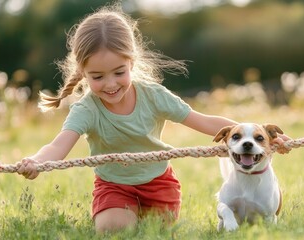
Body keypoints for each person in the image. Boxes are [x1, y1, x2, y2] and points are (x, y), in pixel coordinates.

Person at [17, 4, 289, 233]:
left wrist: (267, 139)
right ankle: (118, 212)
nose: (110, 84)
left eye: (119, 72)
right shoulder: (85, 109)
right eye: (98, 77)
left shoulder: (153, 95)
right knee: (113, 230)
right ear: (83, 73)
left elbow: (204, 121)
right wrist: (38, 162)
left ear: (131, 63)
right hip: (114, 185)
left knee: (156, 231)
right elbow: (58, 146)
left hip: (158, 182)